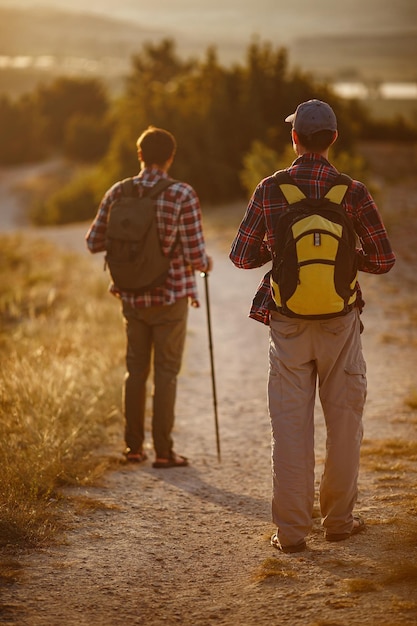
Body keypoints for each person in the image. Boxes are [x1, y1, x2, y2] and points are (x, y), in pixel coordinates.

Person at [230, 99, 395, 552]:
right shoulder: (352, 191)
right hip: (341, 323)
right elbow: (383, 259)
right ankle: (339, 522)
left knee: (289, 427)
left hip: (286, 324)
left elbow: (241, 257)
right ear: (334, 139)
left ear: (294, 138)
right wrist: (345, 262)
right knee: (344, 424)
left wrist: (280, 254)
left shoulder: (270, 189)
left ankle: (291, 533)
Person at [86, 126, 212, 468]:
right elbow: (196, 254)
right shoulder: (181, 194)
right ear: (170, 157)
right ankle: (165, 451)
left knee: (135, 370)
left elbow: (93, 241)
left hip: (131, 298)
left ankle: (133, 448)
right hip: (170, 298)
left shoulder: (117, 192)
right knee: (167, 373)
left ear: (139, 155)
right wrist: (205, 263)